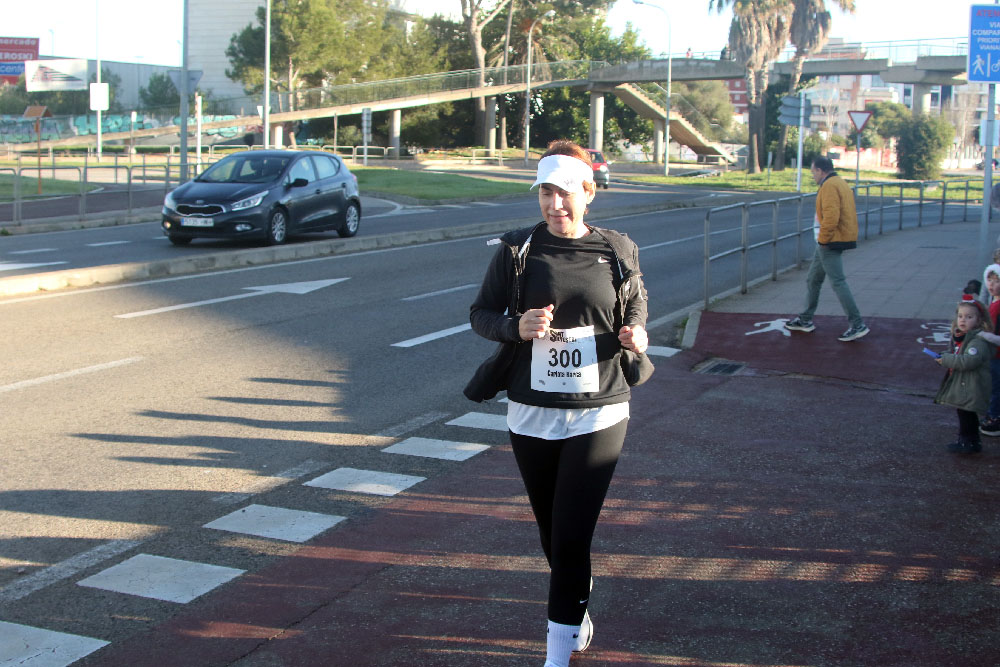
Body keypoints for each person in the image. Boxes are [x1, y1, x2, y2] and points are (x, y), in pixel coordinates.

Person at [468, 139, 649, 667]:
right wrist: (515, 326)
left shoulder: (617, 249)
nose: (555, 204)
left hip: (600, 408)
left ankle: (556, 657)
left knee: (571, 538)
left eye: (565, 193)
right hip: (532, 411)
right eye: (545, 193)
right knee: (553, 536)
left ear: (589, 193)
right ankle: (576, 602)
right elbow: (480, 314)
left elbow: (636, 306)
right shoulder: (517, 250)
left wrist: (637, 333)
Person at [784, 155, 869, 341]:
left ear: (820, 170)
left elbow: (831, 216)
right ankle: (805, 319)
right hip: (830, 240)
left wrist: (823, 240)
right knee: (813, 279)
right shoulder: (840, 182)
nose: (812, 176)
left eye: (813, 172)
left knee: (838, 282)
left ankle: (857, 324)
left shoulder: (829, 186)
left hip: (829, 241)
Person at [934, 295, 995, 454]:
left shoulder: (977, 341)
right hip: (967, 383)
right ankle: (970, 441)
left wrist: (946, 359)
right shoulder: (965, 337)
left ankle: (968, 442)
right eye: (960, 316)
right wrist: (945, 356)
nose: (963, 320)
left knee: (966, 412)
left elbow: (968, 361)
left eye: (969, 317)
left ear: (979, 320)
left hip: (972, 384)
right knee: (965, 411)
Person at [979, 264, 1000, 436]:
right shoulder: (994, 302)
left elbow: (991, 331)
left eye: (996, 281)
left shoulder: (997, 305)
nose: (991, 285)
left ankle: (994, 419)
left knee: (995, 388)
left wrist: (980, 334)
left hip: (996, 354)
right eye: (989, 280)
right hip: (995, 353)